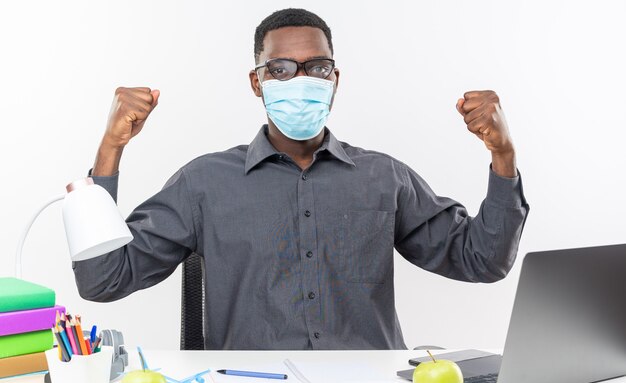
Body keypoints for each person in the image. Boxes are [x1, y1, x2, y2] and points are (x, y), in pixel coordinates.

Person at [74, 8, 529, 350]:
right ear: (257, 82)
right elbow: (104, 280)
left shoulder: (383, 178)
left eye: (316, 67)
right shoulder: (204, 183)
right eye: (280, 69)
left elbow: (483, 261)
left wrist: (502, 154)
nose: (300, 79)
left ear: (334, 78)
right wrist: (110, 149)